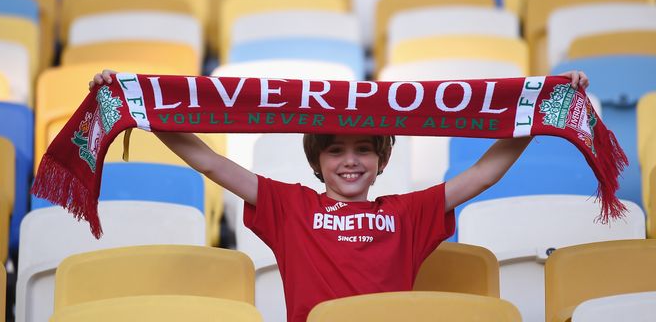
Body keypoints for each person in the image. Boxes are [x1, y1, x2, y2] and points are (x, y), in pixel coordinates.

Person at [90, 68, 589, 322]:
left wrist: (540, 113)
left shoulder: (409, 212)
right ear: (317, 162)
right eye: (335, 151)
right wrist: (140, 109)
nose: (350, 161)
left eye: (363, 150)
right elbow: (209, 161)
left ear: (381, 162)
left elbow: (483, 173)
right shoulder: (290, 206)